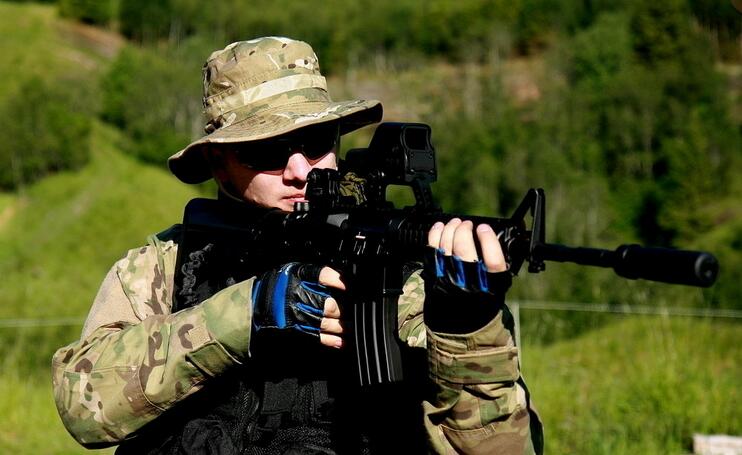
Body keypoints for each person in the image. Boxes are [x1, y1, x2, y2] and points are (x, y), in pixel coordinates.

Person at [52, 37, 543, 454]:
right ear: (220, 164)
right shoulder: (164, 266)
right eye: (266, 150)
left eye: (316, 141)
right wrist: (243, 312)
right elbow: (82, 405)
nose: (299, 170)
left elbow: (507, 447)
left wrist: (468, 332)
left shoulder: (401, 272)